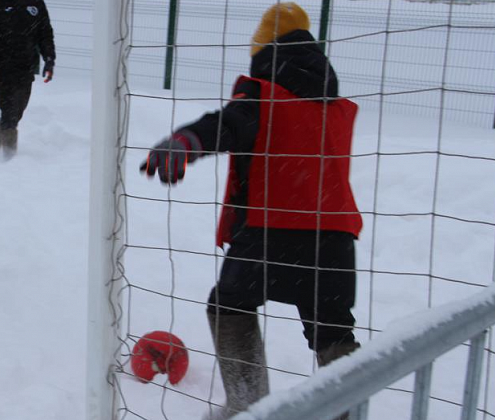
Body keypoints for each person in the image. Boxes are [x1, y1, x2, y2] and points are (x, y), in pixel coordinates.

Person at [139, 3, 362, 418]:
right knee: (333, 332)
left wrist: (188, 141)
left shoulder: (263, 91)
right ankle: (346, 412)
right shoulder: (335, 105)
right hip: (335, 236)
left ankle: (247, 404)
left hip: (272, 230)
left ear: (264, 51)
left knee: (228, 305)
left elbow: (229, 123)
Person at [0, 0, 56, 158]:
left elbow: (45, 34)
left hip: (26, 66)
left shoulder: (36, 4)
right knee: (9, 111)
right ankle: (9, 156)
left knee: (18, 108)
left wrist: (49, 60)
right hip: (2, 65)